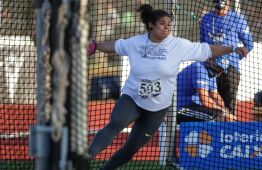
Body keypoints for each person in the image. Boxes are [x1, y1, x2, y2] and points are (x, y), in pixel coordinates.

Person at [87, 4, 248, 169]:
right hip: (133, 98)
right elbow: (114, 46)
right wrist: (95, 46)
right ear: (151, 25)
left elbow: (209, 49)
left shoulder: (178, 45)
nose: (167, 27)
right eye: (162, 23)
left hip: (157, 108)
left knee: (131, 148)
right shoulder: (136, 42)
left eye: (169, 24)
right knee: (115, 124)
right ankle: (85, 158)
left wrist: (233, 48)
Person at [200, 0, 254, 115]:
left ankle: (229, 130)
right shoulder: (206, 18)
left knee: (229, 106)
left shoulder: (237, 18)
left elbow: (249, 44)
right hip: (210, 68)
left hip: (230, 70)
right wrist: (208, 60)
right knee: (211, 105)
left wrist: (232, 59)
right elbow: (202, 43)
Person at [177, 57, 236, 122]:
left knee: (221, 115)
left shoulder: (212, 74)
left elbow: (215, 96)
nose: (218, 70)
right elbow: (204, 100)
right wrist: (224, 113)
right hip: (181, 108)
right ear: (211, 60)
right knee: (214, 117)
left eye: (221, 69)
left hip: (194, 106)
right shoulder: (199, 68)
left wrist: (225, 110)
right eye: (218, 67)